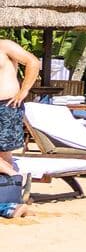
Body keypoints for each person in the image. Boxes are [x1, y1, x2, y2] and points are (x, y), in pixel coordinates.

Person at [1, 37, 43, 219]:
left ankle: (11, 196)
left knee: (4, 153)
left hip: (7, 105)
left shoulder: (4, 45)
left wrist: (24, 90)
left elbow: (33, 62)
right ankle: (10, 197)